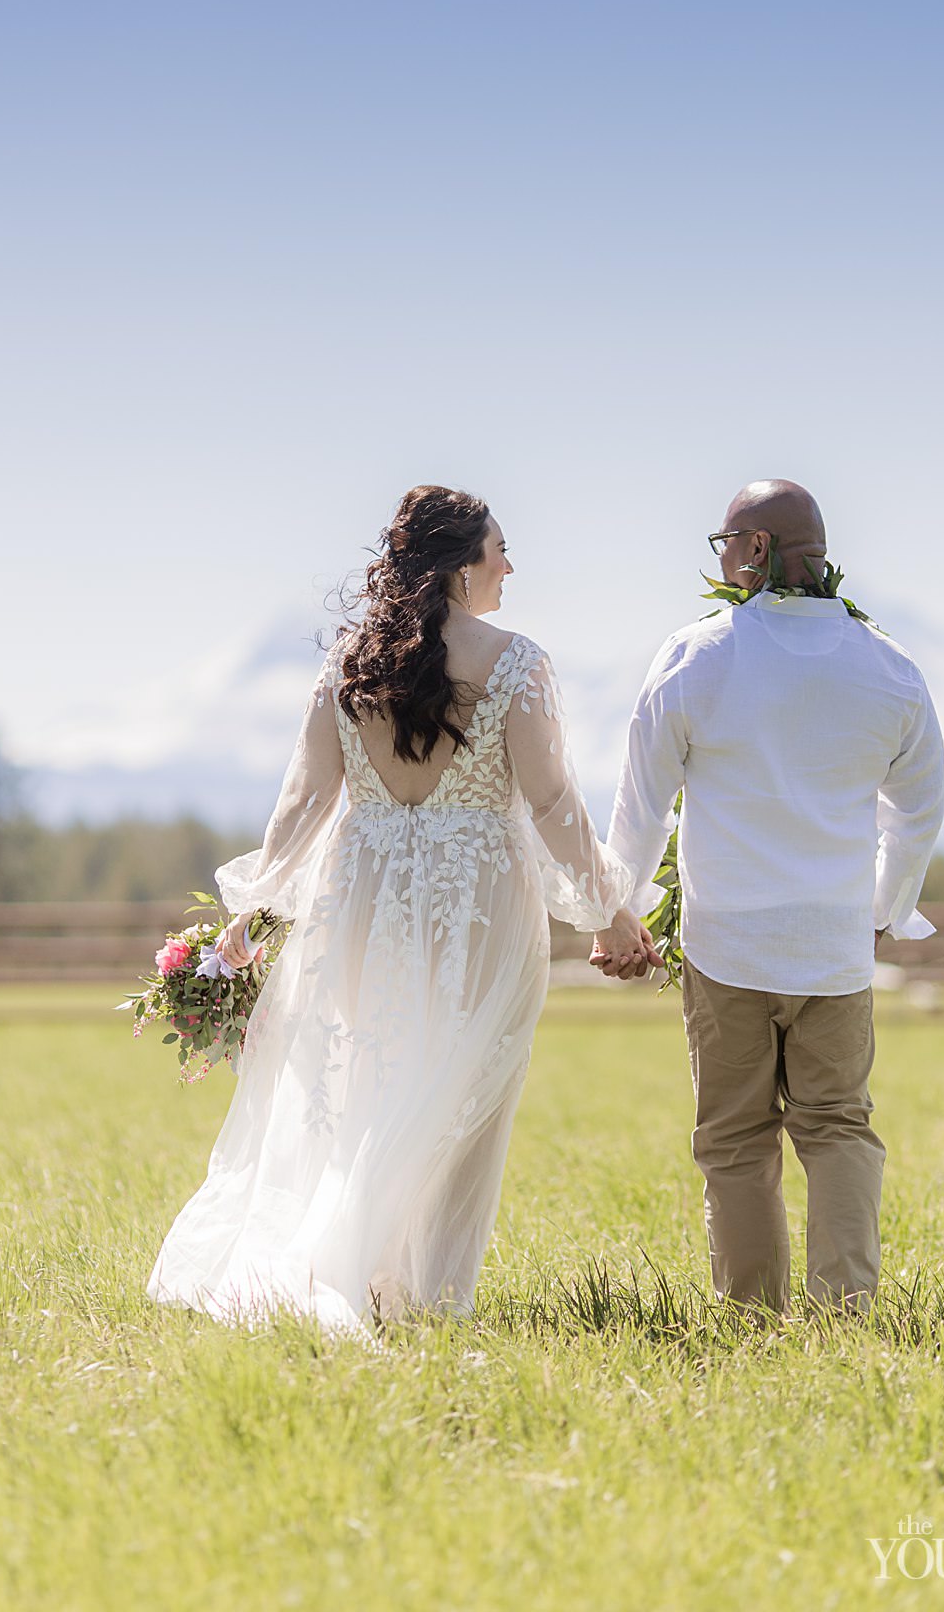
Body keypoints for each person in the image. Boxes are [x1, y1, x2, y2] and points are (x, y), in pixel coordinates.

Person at [147, 485, 649, 1338]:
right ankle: (426, 1292)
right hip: (479, 896)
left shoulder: (349, 660)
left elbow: (304, 802)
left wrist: (262, 903)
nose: (510, 566)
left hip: (364, 890)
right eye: (500, 549)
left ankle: (370, 1272)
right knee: (466, 1090)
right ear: (462, 563)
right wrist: (608, 910)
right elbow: (554, 801)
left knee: (365, 1084)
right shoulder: (516, 660)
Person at [594, 479, 944, 1319]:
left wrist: (619, 913)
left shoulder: (696, 656)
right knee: (840, 1128)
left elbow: (640, 805)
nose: (718, 559)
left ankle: (752, 1316)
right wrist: (883, 908)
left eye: (723, 542)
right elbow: (920, 814)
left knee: (734, 1138)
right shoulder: (890, 668)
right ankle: (844, 1314)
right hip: (833, 946)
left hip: (727, 947)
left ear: (755, 549)